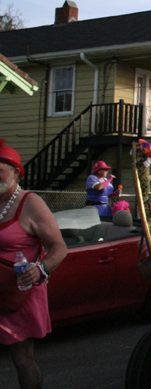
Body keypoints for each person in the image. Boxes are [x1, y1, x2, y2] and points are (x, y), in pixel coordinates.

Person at [0, 139, 68, 389]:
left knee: (21, 358)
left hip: (20, 292)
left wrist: (41, 268)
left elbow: (60, 247)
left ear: (16, 172)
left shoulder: (31, 202)